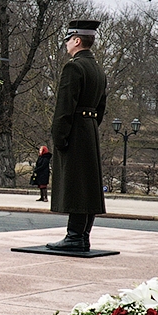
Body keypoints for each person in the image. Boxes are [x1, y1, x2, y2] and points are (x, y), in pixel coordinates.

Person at [46, 20, 108, 252]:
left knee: (76, 185)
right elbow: (101, 107)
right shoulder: (98, 69)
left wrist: (59, 136)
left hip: (75, 130)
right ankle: (82, 236)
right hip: (90, 130)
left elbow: (65, 106)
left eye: (68, 40)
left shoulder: (74, 67)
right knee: (88, 184)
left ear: (77, 40)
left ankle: (74, 236)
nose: (66, 44)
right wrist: (89, 126)